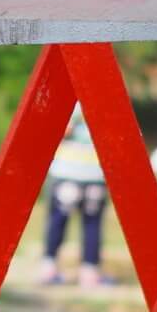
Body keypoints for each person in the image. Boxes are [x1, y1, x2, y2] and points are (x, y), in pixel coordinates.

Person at [37, 106, 112, 289]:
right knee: (92, 223)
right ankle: (89, 272)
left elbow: (57, 131)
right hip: (95, 173)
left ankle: (49, 267)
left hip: (67, 172)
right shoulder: (106, 101)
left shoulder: (69, 101)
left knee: (58, 221)